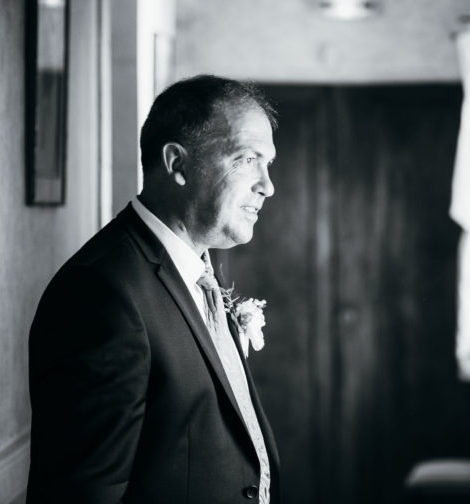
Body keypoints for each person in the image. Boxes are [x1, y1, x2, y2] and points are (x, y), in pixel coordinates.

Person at [26, 75, 280, 504]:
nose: (267, 186)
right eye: (246, 159)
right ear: (177, 164)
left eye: (268, 163)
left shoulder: (195, 270)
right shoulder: (101, 294)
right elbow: (84, 492)